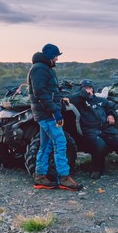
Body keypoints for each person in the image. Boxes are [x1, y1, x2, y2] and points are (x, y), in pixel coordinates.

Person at [27, 43, 83, 191]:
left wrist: (59, 99)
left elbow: (49, 91)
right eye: (56, 55)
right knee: (60, 143)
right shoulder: (39, 68)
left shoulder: (44, 68)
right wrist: (55, 111)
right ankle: (64, 178)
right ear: (50, 56)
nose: (57, 58)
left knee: (45, 145)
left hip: (46, 113)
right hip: (47, 114)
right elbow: (40, 94)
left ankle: (40, 177)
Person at [69, 79, 118, 182]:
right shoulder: (78, 101)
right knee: (100, 146)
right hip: (90, 129)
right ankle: (97, 169)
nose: (88, 90)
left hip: (107, 128)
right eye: (85, 88)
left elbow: (111, 107)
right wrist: (82, 94)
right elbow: (69, 99)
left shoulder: (100, 100)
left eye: (90, 88)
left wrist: (111, 115)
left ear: (93, 88)